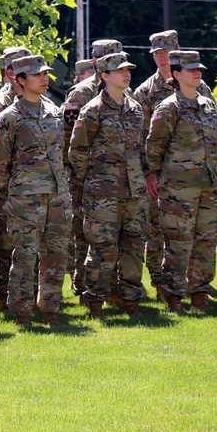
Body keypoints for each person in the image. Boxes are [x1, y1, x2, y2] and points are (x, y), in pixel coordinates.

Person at [0, 55, 71, 328]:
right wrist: (11, 194)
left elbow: (62, 155)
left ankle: (51, 309)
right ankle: (21, 310)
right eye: (37, 75)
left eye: (45, 73)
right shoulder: (9, 118)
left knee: (56, 255)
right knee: (24, 255)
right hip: (26, 197)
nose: (44, 78)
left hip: (57, 195)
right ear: (20, 80)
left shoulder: (54, 112)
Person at [132, 30, 213, 299]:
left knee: (198, 231)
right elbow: (142, 137)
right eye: (158, 53)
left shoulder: (200, 88)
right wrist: (149, 173)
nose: (163, 57)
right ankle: (162, 283)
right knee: (158, 231)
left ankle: (196, 284)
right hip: (165, 176)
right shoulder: (145, 92)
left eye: (168, 51)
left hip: (199, 176)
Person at [69, 52, 147, 320]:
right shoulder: (92, 110)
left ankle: (130, 301)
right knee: (102, 250)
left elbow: (140, 149)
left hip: (134, 192)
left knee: (134, 248)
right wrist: (87, 184)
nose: (126, 74)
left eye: (128, 69)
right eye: (119, 70)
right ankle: (95, 303)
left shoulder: (135, 108)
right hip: (102, 193)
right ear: (104, 76)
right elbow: (77, 151)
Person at [145, 50, 217, 314]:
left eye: (198, 68)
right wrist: (156, 175)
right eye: (191, 69)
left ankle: (200, 292)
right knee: (179, 243)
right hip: (179, 188)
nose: (197, 72)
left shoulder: (208, 105)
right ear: (177, 74)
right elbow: (154, 146)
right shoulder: (168, 107)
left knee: (206, 241)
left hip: (209, 185)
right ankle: (174, 296)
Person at [62, 39, 123, 299]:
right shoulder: (79, 94)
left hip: (117, 179)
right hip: (85, 176)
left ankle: (111, 286)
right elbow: (68, 136)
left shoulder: (124, 91)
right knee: (84, 233)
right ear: (97, 62)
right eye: (110, 57)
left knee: (112, 235)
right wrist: (79, 175)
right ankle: (83, 284)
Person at [0, 46, 32, 313]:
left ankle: (27, 298)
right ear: (11, 72)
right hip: (4, 188)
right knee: (4, 244)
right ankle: (4, 299)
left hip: (31, 188)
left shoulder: (38, 100)